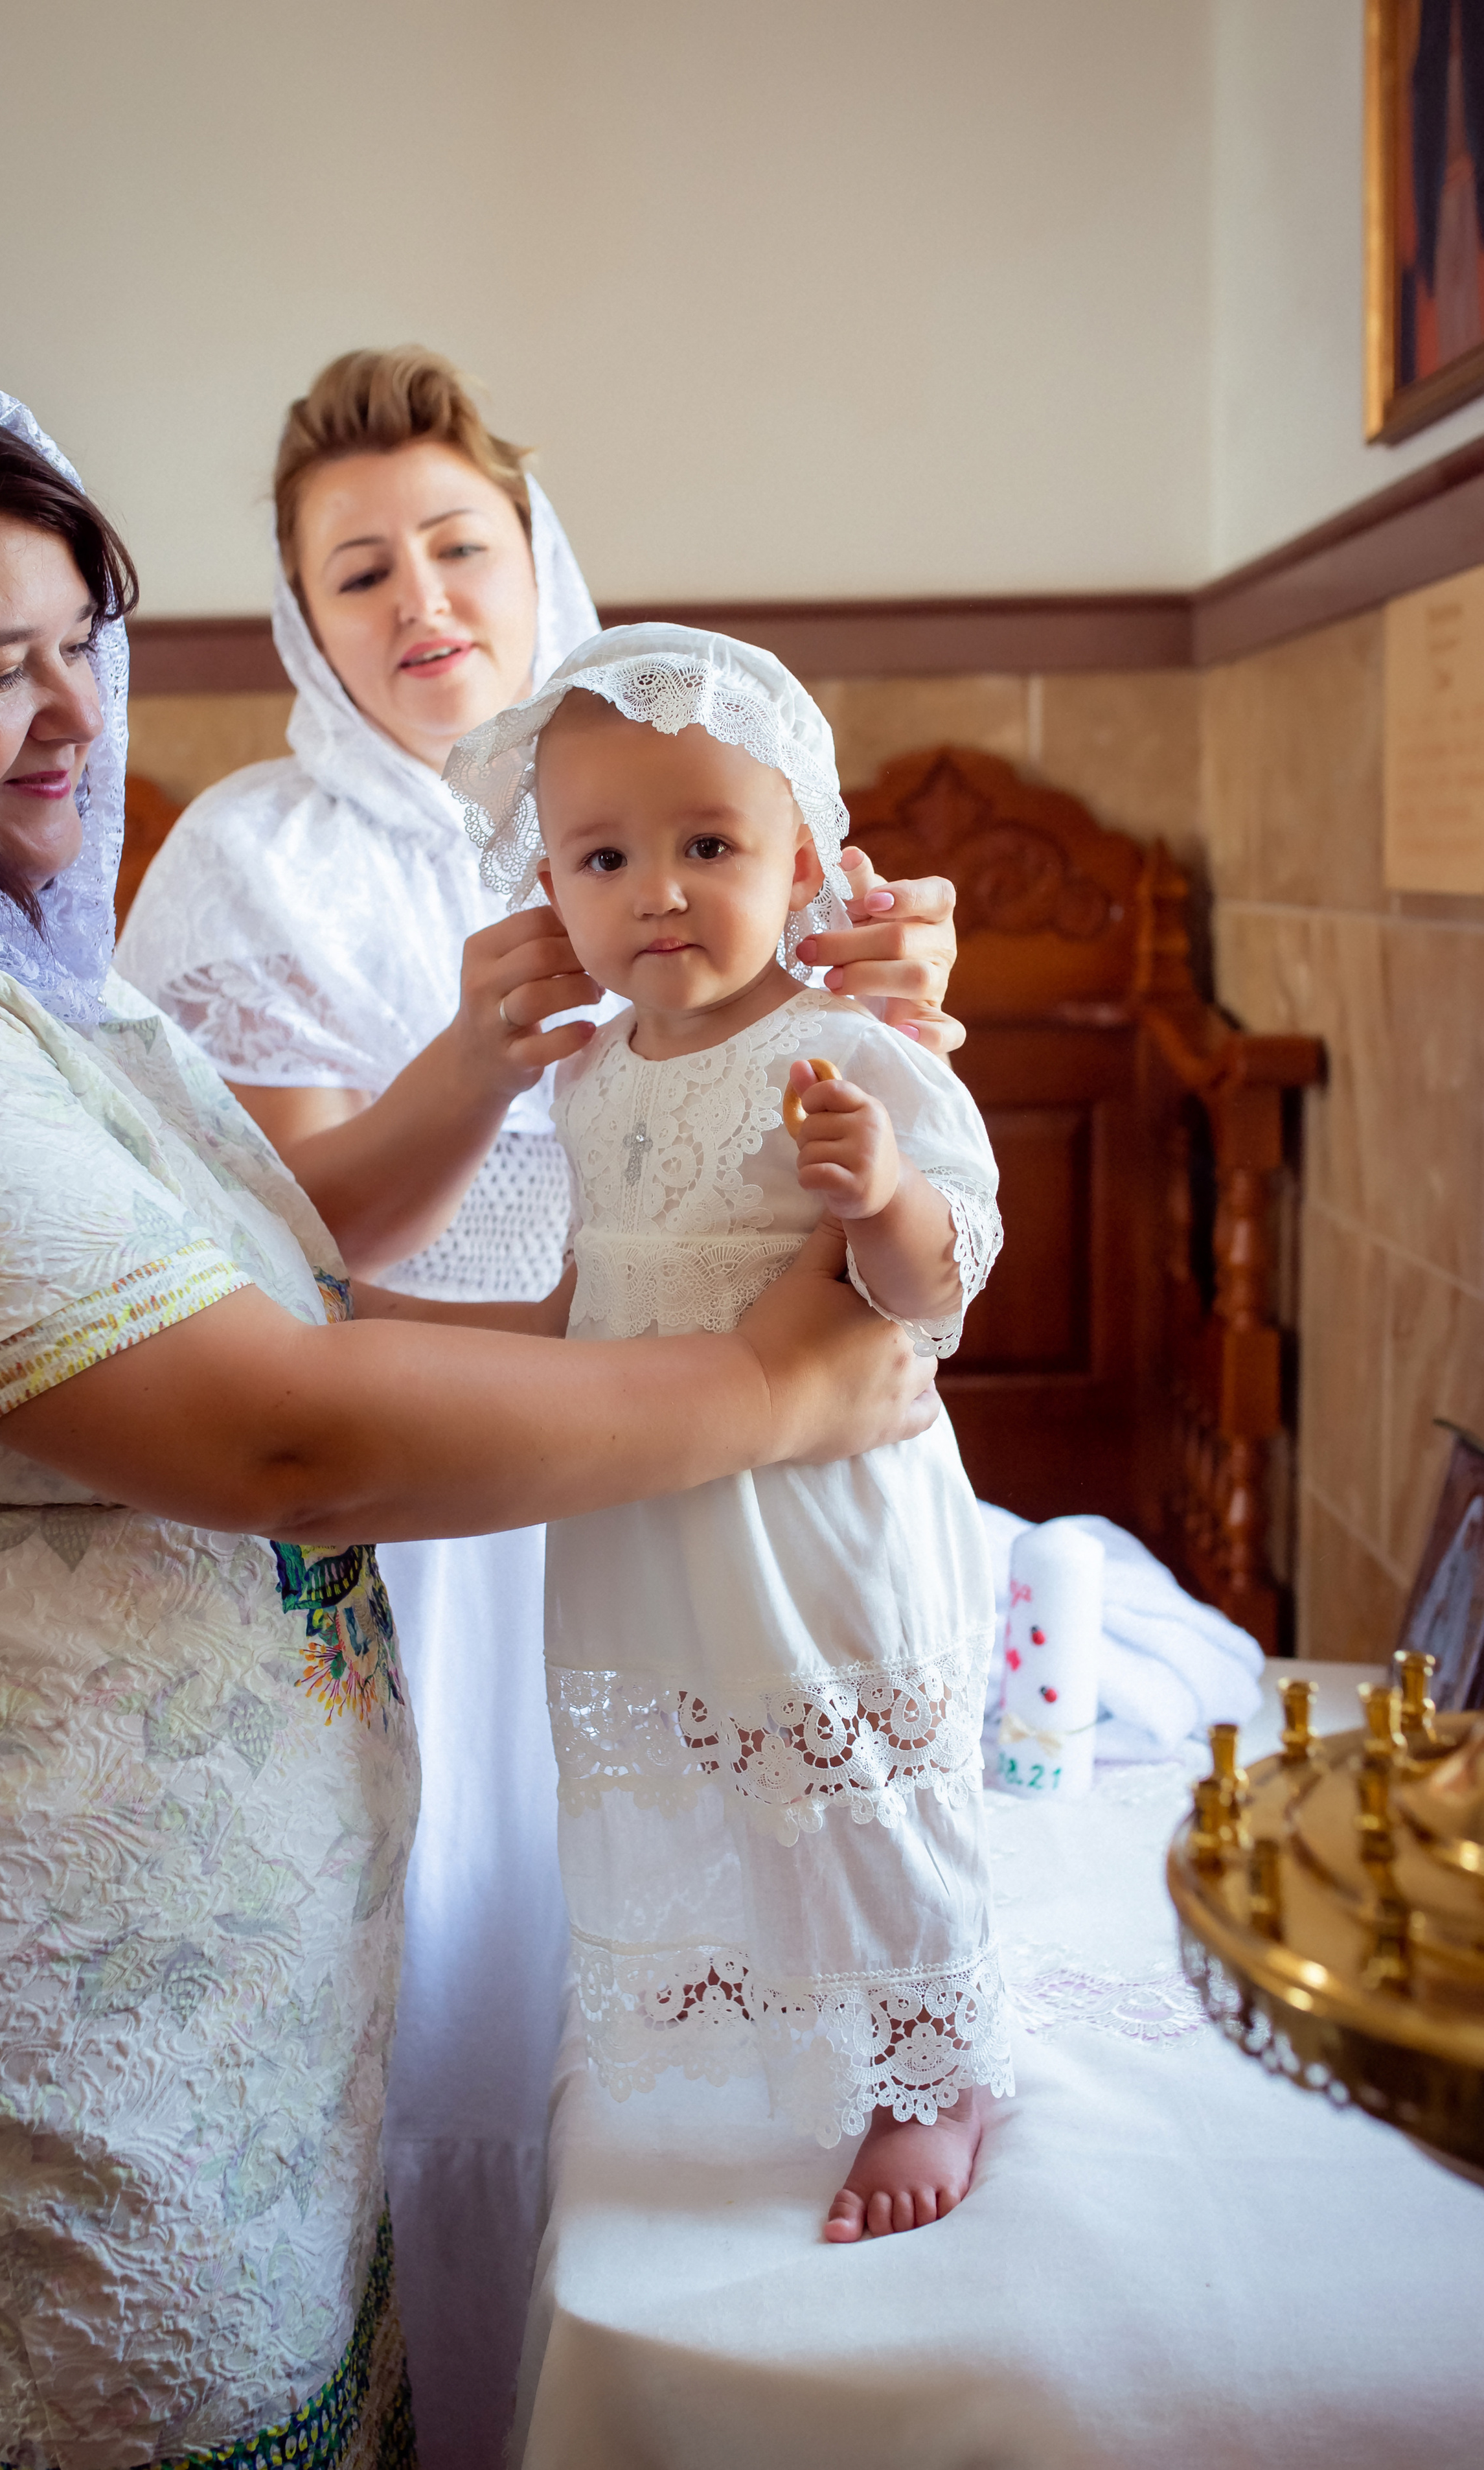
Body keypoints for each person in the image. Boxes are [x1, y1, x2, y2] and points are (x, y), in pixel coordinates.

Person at [0, 390, 939, 2470]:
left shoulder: (38, 982)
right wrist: (774, 1383)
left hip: (222, 2003)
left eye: (85, 639)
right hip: (52, 2020)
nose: (76, 712)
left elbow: (283, 1272)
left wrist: (836, 1072)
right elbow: (271, 1431)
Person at [446, 625, 1013, 2241]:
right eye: (603, 856)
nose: (657, 891)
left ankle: (926, 2064)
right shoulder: (595, 1077)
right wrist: (390, 1329)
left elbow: (938, 1281)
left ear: (807, 864)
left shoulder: (840, 1049)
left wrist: (881, 1195)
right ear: (548, 884)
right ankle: (780, 2008)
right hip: (651, 1499)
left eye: (708, 845)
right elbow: (587, 1296)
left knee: (844, 1765)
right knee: (718, 1748)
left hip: (814, 1508)